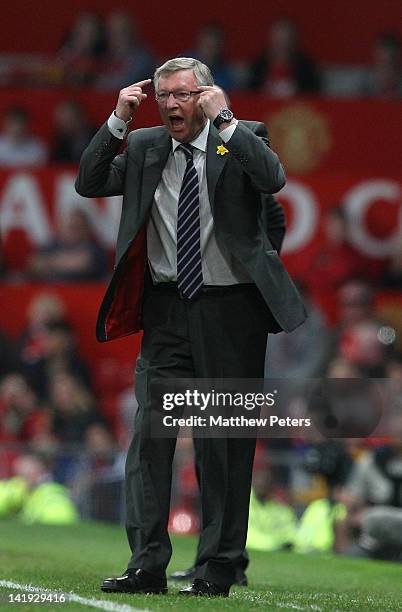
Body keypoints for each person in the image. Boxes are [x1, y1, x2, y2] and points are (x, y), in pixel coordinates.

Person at [76, 56, 305, 597]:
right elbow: (89, 182)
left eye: (182, 95)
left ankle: (219, 565)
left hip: (231, 314)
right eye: (164, 97)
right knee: (149, 438)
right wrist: (117, 121)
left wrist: (225, 119)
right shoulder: (146, 146)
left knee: (223, 442)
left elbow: (273, 179)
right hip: (166, 310)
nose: (172, 105)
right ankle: (146, 563)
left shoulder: (242, 134)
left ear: (205, 94)